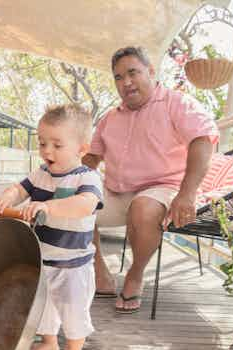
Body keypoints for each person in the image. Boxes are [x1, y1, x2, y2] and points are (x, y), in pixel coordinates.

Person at [83, 46, 219, 313]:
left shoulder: (177, 102)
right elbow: (91, 158)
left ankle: (135, 274)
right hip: (116, 192)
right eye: (119, 77)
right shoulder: (110, 118)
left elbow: (202, 141)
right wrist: (69, 183)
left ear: (152, 71)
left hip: (161, 190)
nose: (126, 82)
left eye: (133, 72)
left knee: (143, 208)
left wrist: (187, 193)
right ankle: (100, 272)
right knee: (75, 203)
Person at [0, 104, 103, 350]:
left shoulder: (86, 177)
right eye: (42, 143)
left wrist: (47, 207)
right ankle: (49, 342)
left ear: (81, 149)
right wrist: (7, 197)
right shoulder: (41, 173)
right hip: (43, 258)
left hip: (73, 263)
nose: (47, 150)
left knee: (72, 308)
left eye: (57, 145)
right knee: (43, 306)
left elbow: (86, 204)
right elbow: (20, 189)